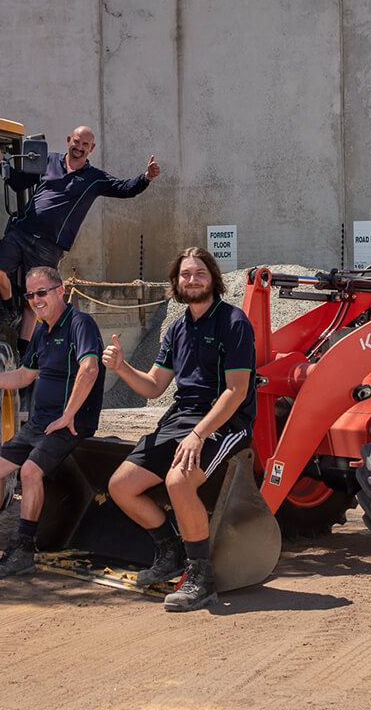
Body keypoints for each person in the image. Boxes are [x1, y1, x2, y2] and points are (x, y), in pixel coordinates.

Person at [101, 247, 256, 612]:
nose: (192, 280)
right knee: (121, 486)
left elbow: (237, 392)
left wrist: (199, 434)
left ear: (213, 279)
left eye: (199, 273)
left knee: (177, 481)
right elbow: (155, 385)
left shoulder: (233, 322)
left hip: (224, 422)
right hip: (180, 419)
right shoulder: (177, 328)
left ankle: (201, 576)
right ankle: (169, 553)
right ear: (176, 283)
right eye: (185, 275)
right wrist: (122, 367)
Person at [0, 266, 106, 579]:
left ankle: (23, 550)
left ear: (60, 291)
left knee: (29, 471)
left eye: (42, 292)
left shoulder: (80, 324)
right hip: (40, 424)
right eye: (30, 294)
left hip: (71, 422)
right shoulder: (43, 329)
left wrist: (68, 414)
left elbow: (90, 369)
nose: (35, 299)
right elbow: (24, 376)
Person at [0, 126, 160, 347]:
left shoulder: (94, 178)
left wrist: (146, 177)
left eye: (84, 145)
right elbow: (17, 183)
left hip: (49, 245)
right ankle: (7, 311)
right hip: (22, 232)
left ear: (91, 149)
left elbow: (124, 188)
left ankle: (24, 352)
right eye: (76, 142)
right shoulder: (48, 161)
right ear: (68, 141)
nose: (79, 148)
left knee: (36, 298)